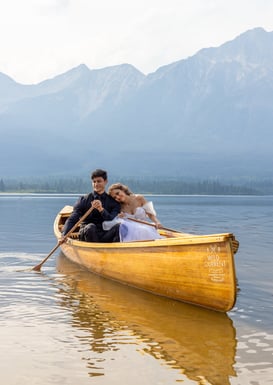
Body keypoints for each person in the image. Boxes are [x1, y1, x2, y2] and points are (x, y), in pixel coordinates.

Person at [62, 169, 121, 242]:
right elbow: (73, 219)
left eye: (99, 181)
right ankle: (94, 250)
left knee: (119, 227)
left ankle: (115, 250)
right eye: (94, 182)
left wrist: (101, 209)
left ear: (105, 182)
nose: (96, 184)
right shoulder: (83, 200)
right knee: (91, 227)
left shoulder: (113, 202)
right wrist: (64, 235)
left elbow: (111, 218)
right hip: (87, 233)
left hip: (104, 235)